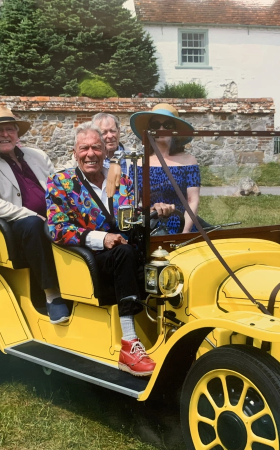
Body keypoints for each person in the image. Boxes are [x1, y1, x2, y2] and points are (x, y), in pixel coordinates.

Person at [46, 122, 174, 377]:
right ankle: (129, 343)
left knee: (165, 258)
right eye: (84, 148)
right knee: (124, 254)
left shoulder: (121, 178)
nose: (90, 154)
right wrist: (101, 238)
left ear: (105, 151)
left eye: (96, 147)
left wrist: (154, 211)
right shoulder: (60, 182)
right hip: (91, 257)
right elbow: (57, 228)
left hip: (127, 251)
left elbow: (131, 217)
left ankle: (170, 331)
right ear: (74, 152)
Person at [0, 105, 70, 324]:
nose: (5, 134)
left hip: (51, 218)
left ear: (17, 133)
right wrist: (30, 214)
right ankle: (52, 295)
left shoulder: (37, 155)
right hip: (14, 226)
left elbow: (60, 187)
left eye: (10, 129)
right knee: (32, 224)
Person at [129, 103, 201, 234]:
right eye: (156, 125)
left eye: (167, 125)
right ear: (150, 130)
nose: (161, 129)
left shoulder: (189, 161)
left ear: (175, 130)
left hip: (181, 224)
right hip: (150, 226)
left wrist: (185, 232)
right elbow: (133, 202)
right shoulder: (139, 162)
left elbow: (193, 200)